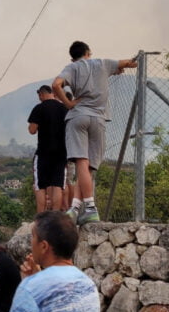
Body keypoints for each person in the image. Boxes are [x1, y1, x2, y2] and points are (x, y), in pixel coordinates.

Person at [52, 41, 137, 224]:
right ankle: (84, 208)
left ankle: (78, 208)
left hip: (78, 117)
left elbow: (56, 84)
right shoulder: (102, 63)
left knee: (82, 163)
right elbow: (128, 63)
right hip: (99, 119)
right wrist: (126, 65)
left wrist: (68, 104)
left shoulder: (72, 67)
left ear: (73, 57)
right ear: (88, 52)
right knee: (89, 167)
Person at [28, 84, 68, 213]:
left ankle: (40, 216)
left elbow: (32, 130)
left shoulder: (39, 108)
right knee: (57, 184)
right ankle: (56, 215)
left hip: (43, 152)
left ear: (41, 94)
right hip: (61, 152)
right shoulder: (64, 108)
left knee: (40, 185)